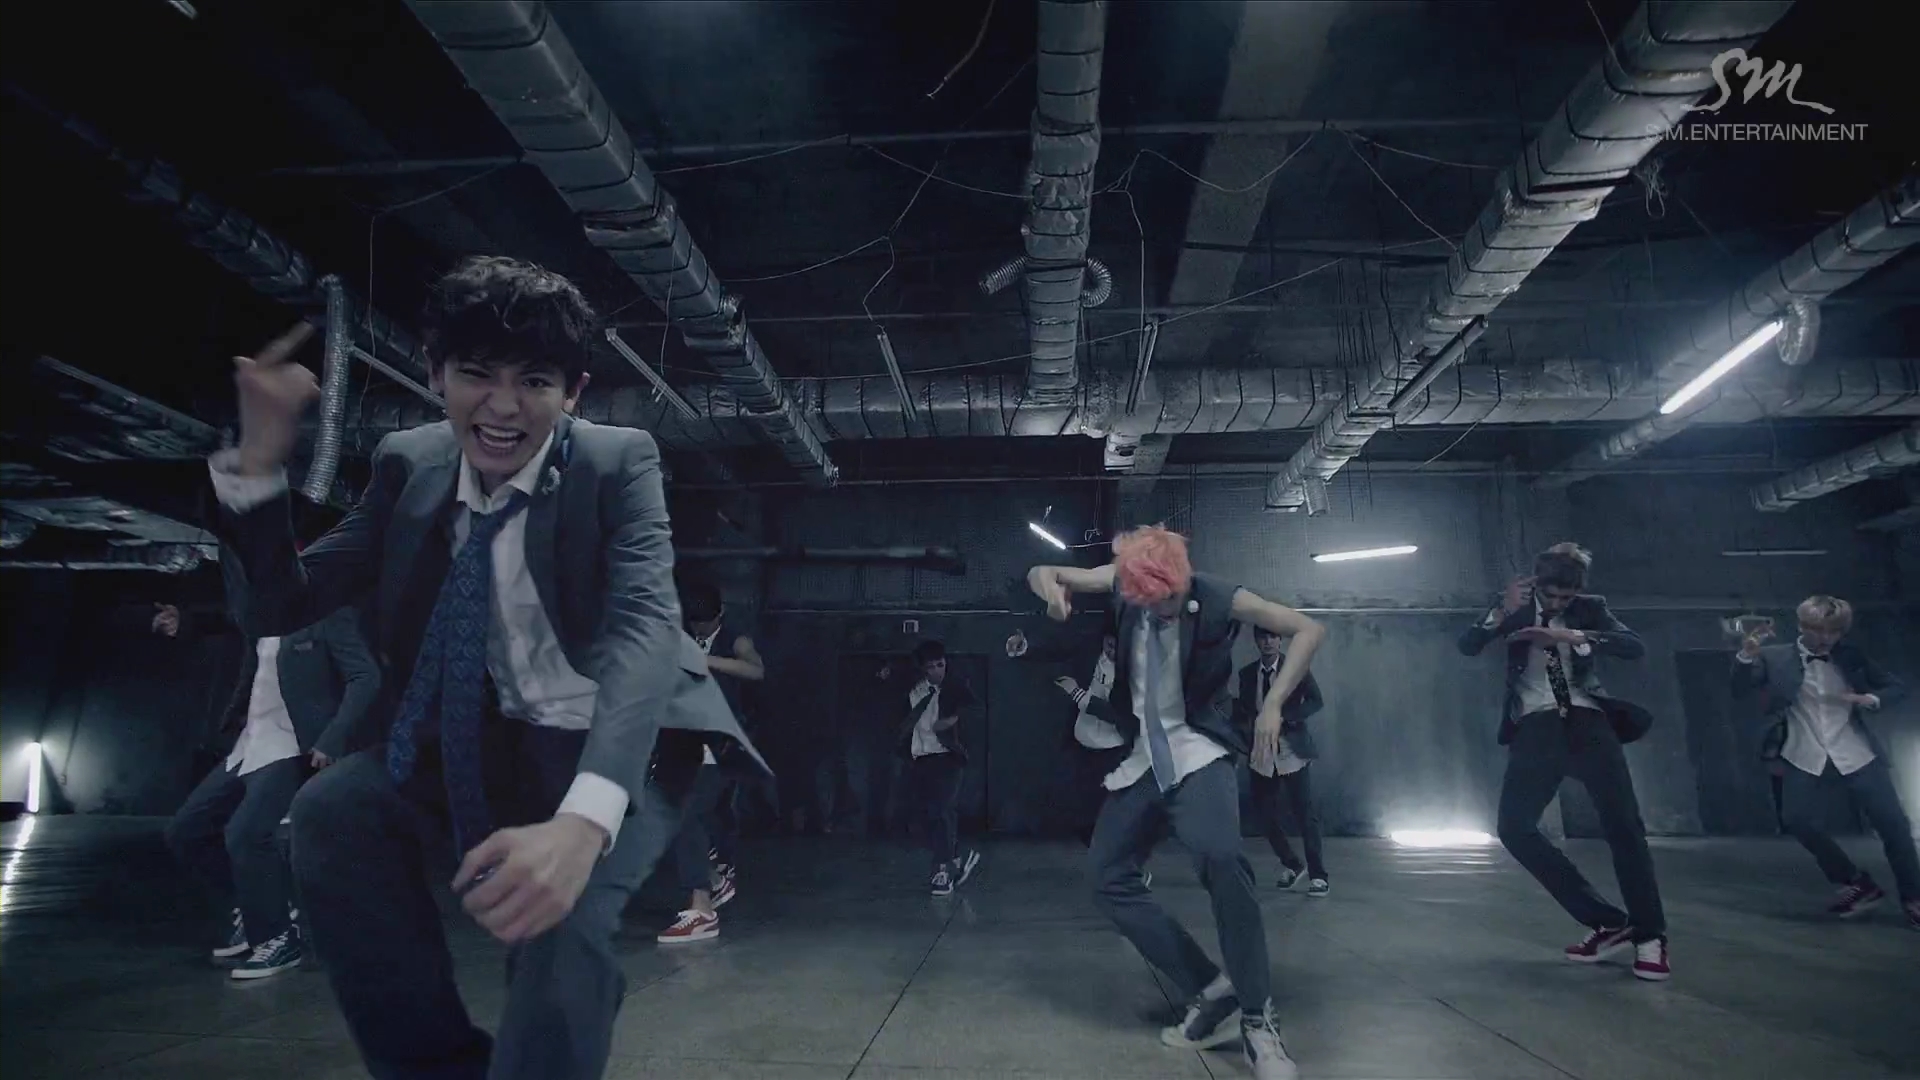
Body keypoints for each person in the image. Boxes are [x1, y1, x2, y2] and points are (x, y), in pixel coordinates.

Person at [207, 256, 762, 1080]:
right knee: (333, 809)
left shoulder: (618, 461)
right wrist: (257, 465)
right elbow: (279, 607)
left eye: (534, 382)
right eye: (476, 375)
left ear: (572, 392)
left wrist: (583, 822)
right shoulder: (408, 462)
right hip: (480, 734)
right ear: (436, 374)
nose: (502, 408)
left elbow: (645, 627)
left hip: (622, 738)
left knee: (561, 927)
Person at [1027, 524, 1325, 1080]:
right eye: (1146, 604)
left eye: (1167, 603)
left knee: (1221, 857)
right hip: (1145, 755)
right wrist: (1050, 592)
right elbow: (1043, 570)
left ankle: (1258, 1019)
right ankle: (1213, 991)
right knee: (1106, 876)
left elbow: (1308, 629)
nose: (1158, 612)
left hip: (1197, 748)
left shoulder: (1217, 595)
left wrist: (1273, 705)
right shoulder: (1126, 584)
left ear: (1182, 581)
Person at [1458, 542, 1669, 981]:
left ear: (1577, 592)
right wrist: (1498, 613)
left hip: (1588, 721)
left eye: (1565, 598)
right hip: (1537, 724)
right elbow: (1468, 645)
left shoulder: (1591, 609)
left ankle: (1651, 937)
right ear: (1536, 584)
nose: (1556, 604)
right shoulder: (1514, 605)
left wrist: (1574, 637)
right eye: (1549, 596)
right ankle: (1607, 922)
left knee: (1624, 827)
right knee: (1514, 828)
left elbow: (1633, 646)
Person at [162, 595, 378, 980]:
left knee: (246, 833)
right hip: (249, 743)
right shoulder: (259, 615)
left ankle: (279, 940)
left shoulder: (328, 613)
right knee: (186, 830)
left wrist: (332, 739)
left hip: (292, 745)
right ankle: (258, 907)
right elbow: (226, 619)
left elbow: (365, 676)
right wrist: (187, 619)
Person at [1732, 595, 1915, 929]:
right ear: (1802, 626)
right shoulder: (1775, 657)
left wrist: (1870, 698)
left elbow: (1895, 687)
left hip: (1857, 752)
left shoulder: (1851, 655)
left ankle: (1914, 899)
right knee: (1797, 820)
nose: (1826, 638)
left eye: (1834, 631)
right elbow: (1740, 687)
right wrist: (1745, 655)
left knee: (1894, 826)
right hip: (1804, 751)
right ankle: (1856, 883)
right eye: (1819, 630)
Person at [657, 579, 766, 944]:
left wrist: (705, 660)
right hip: (684, 742)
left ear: (720, 614)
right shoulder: (682, 636)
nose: (701, 629)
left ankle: (701, 908)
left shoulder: (736, 638)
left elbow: (756, 670)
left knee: (686, 814)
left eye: (706, 623)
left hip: (721, 745)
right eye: (695, 624)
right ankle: (716, 881)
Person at [1234, 626, 1327, 896]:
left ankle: (1318, 876)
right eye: (1263, 637)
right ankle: (1292, 864)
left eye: (1273, 637)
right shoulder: (1247, 674)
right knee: (1263, 815)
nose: (1268, 642)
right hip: (1262, 750)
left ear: (1280, 640)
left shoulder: (1294, 668)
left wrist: (1287, 718)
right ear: (1256, 641)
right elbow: (1245, 710)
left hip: (1291, 749)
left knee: (1304, 814)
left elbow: (1316, 701)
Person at [893, 639, 982, 896]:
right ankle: (954, 858)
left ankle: (941, 870)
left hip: (947, 758)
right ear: (922, 668)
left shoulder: (956, 687)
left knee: (941, 809)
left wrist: (953, 720)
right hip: (920, 758)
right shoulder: (914, 689)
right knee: (928, 815)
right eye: (931, 667)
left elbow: (974, 711)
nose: (936, 671)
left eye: (940, 665)